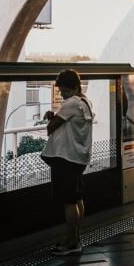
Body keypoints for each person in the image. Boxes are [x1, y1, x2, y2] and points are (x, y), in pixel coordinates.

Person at [42, 69, 94, 256]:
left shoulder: (71, 103)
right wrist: (55, 115)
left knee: (68, 201)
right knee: (77, 198)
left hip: (66, 158)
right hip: (79, 157)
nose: (61, 94)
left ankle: (72, 243)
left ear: (73, 87)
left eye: (63, 90)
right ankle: (76, 238)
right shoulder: (85, 101)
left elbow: (51, 128)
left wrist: (52, 118)